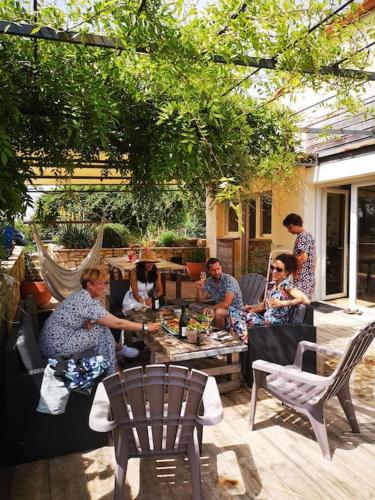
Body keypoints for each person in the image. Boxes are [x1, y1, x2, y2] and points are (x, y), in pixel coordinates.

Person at [39, 267, 160, 375]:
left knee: (100, 326)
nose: (104, 287)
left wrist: (93, 321)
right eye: (100, 284)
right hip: (56, 347)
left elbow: (96, 318)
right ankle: (115, 374)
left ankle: (117, 356)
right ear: (89, 285)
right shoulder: (86, 302)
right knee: (100, 332)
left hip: (56, 340)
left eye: (104, 283)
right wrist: (145, 327)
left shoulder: (81, 295)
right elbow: (118, 323)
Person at [229, 254, 310, 342]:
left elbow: (305, 300)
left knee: (248, 317)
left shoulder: (286, 286)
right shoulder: (272, 286)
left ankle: (246, 338)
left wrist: (282, 303)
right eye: (273, 267)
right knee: (233, 310)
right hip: (264, 322)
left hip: (275, 327)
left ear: (286, 273)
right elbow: (263, 306)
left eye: (278, 269)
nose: (274, 271)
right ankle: (244, 336)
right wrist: (252, 308)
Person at [195, 258, 243, 329]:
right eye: (213, 270)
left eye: (218, 269)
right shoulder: (209, 281)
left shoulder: (229, 280)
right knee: (194, 307)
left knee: (218, 312)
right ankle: (202, 331)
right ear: (208, 271)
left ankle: (221, 333)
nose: (216, 272)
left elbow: (226, 304)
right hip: (222, 308)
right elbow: (200, 300)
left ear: (221, 267)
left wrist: (210, 308)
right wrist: (199, 289)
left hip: (236, 310)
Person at [283, 213, 316, 299]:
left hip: (302, 277)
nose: (289, 230)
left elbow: (303, 257)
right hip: (309, 276)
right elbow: (314, 257)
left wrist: (290, 259)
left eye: (290, 227)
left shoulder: (302, 237)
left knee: (299, 303)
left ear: (297, 224)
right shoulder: (309, 235)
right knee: (305, 303)